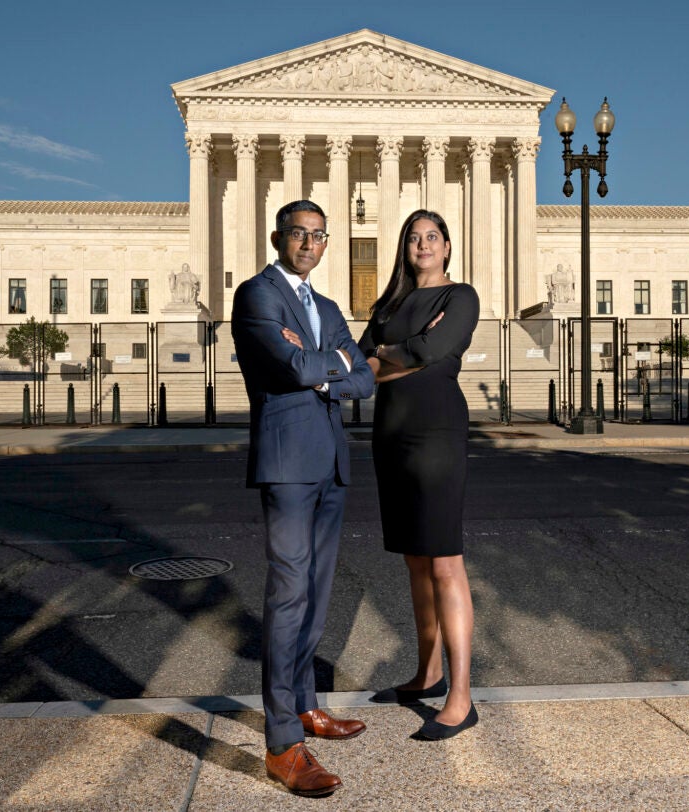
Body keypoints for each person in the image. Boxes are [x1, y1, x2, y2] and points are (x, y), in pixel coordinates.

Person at [231, 200, 374, 796]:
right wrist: (329, 362)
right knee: (288, 592)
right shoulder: (256, 294)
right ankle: (283, 742)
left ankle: (307, 703)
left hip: (331, 462)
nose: (310, 244)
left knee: (316, 593)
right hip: (288, 463)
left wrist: (330, 363)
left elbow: (363, 377)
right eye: (300, 234)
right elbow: (288, 367)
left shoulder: (329, 306)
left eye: (319, 236)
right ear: (278, 237)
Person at [358, 209, 480, 740]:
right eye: (414, 238)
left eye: (432, 237)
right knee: (414, 560)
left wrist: (394, 354)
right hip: (390, 435)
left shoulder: (461, 297)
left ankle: (461, 696)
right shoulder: (390, 303)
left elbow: (433, 351)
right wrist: (396, 353)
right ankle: (428, 673)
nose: (423, 244)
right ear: (405, 248)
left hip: (436, 433)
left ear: (448, 247)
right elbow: (360, 364)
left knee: (445, 561)